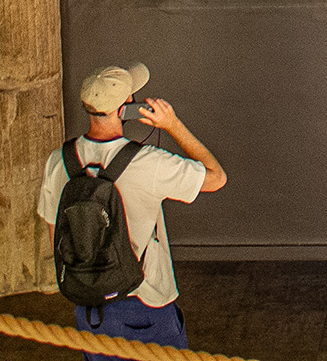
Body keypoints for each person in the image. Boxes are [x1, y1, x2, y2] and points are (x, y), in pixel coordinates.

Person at [37, 62, 227, 360]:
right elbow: (216, 178)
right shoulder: (148, 163)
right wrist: (172, 125)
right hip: (145, 304)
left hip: (90, 309)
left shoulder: (58, 161)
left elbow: (55, 237)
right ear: (125, 106)